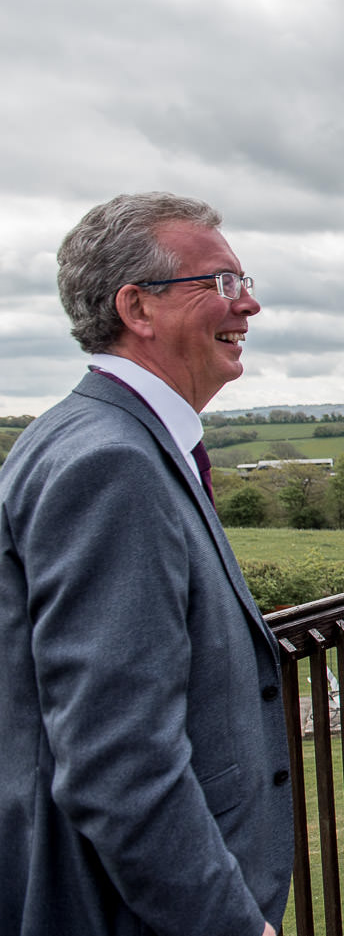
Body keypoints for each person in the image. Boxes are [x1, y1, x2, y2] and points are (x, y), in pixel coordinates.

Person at [0, 193, 293, 936]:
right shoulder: (111, 461)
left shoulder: (91, 435)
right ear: (138, 306)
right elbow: (119, 757)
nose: (250, 303)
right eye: (222, 282)